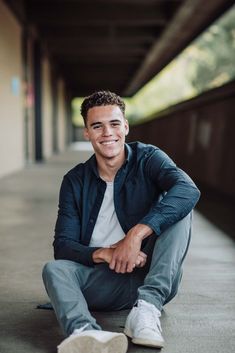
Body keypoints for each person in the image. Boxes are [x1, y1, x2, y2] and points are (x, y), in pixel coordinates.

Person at [42, 90, 200, 353]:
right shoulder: (74, 180)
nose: (107, 133)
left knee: (180, 209)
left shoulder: (148, 158)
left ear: (125, 126)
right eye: (97, 126)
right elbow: (64, 246)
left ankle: (146, 309)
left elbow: (188, 189)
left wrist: (134, 236)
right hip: (102, 281)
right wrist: (106, 253)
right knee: (53, 269)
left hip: (150, 274)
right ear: (87, 133)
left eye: (114, 123)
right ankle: (86, 333)